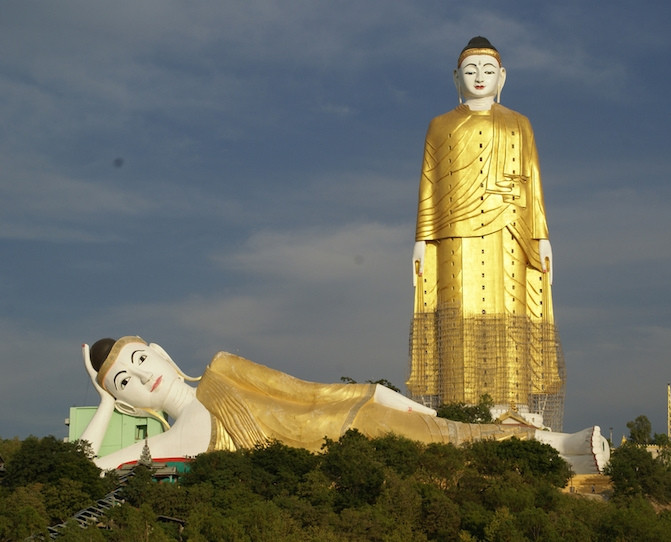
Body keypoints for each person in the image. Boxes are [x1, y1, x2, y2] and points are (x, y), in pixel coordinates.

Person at [79, 336, 607, 473]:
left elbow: (304, 390)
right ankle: (568, 454)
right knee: (453, 448)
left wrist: (386, 398)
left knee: (449, 433)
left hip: (348, 418)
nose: (141, 377)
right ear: (125, 402)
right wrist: (102, 403)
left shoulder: (223, 368)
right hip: (343, 460)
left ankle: (564, 445)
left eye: (140, 359)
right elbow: (92, 467)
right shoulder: (170, 439)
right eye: (123, 382)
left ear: (162, 354)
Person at [408, 37, 565, 429]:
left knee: (508, 316)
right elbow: (429, 186)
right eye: (471, 70)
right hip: (454, 238)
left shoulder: (519, 123)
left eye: (489, 71)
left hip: (509, 232)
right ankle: (459, 407)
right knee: (457, 316)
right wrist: (421, 240)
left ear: (503, 78)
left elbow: (534, 184)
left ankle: (513, 403)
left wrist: (542, 236)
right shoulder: (440, 126)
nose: (480, 78)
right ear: (456, 77)